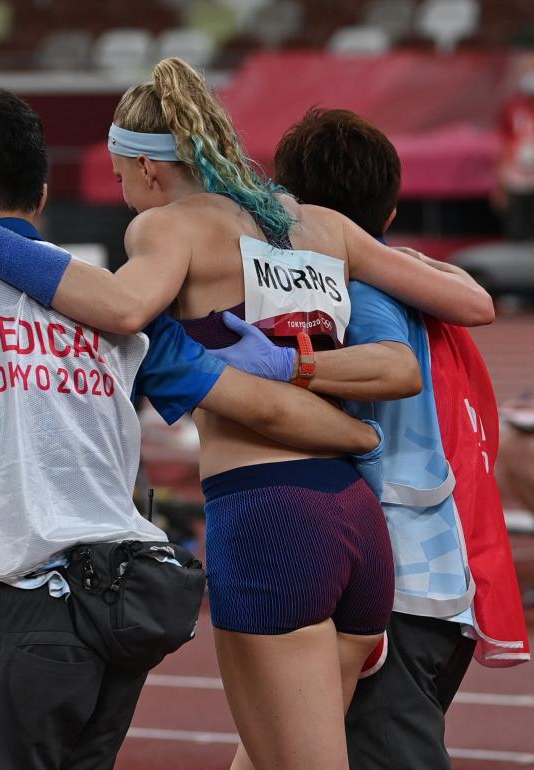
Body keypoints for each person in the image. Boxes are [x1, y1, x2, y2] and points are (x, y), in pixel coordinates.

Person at [0, 59, 496, 770]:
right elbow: (469, 302)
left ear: (150, 172)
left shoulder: (170, 228)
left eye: (124, 179)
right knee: (267, 755)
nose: (125, 198)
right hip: (355, 520)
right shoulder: (313, 223)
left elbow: (123, 308)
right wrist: (340, 414)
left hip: (270, 519)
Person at [0, 85, 383, 770]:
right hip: (121, 609)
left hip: (10, 609)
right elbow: (261, 404)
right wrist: (361, 436)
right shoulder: (114, 304)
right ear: (39, 195)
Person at [214, 108, 531, 769]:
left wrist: (280, 367)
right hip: (421, 577)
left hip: (393, 587)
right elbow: (476, 303)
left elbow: (396, 370)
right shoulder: (407, 275)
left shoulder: (355, 290)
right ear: (388, 215)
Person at [496, 51, 534, 240]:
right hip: (518, 178)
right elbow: (504, 144)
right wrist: (501, 184)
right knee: (518, 227)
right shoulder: (513, 107)